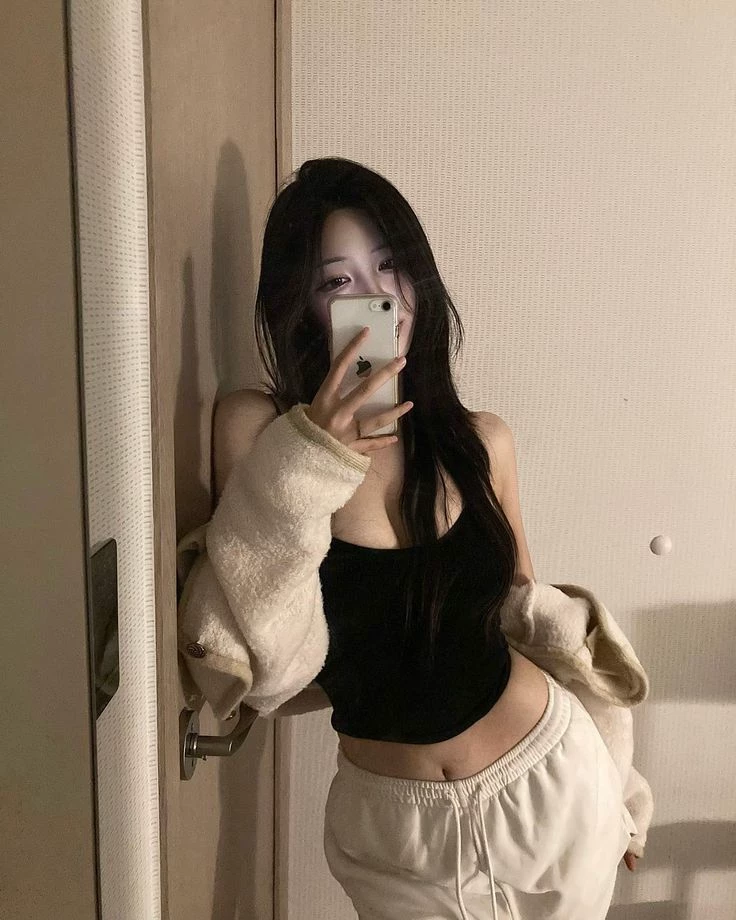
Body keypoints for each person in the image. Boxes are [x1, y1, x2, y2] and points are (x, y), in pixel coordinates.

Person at [212, 157, 635, 919]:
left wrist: (621, 779)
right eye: (336, 281)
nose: (377, 295)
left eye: (390, 265)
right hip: (397, 836)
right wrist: (314, 456)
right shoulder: (258, 433)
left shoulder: (482, 442)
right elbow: (271, 654)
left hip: (553, 781)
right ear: (301, 305)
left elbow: (527, 620)